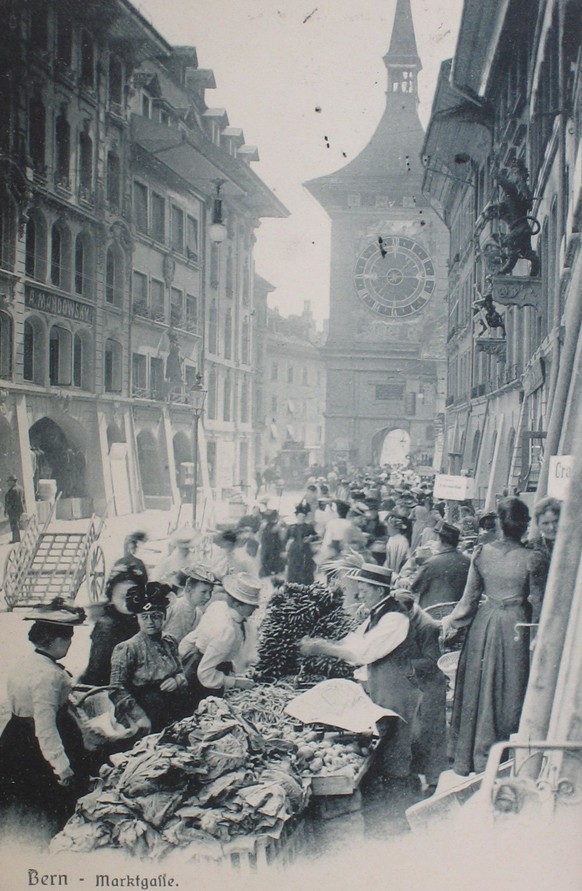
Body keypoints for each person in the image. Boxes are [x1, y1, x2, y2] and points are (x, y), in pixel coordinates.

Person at [441, 497, 546, 775]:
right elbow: (537, 602)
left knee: (478, 686)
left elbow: (469, 600)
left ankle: (471, 757)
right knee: (510, 688)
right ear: (525, 526)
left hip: (485, 625)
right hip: (517, 627)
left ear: (498, 523)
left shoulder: (481, 553)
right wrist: (537, 638)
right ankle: (503, 759)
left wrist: (452, 622)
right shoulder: (533, 558)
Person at [300, 564, 421, 794]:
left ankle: (399, 804)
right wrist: (325, 645)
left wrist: (323, 648)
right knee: (388, 744)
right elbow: (354, 642)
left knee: (397, 751)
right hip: (384, 688)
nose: (359, 593)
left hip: (397, 690)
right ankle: (390, 794)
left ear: (378, 589)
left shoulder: (394, 618)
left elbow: (363, 652)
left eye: (364, 588)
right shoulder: (379, 612)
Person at [0, 599, 88, 836]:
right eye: (68, 639)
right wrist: (62, 767)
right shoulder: (48, 675)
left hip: (14, 734)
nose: (70, 644)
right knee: (47, 801)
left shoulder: (27, 663)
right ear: (56, 640)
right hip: (36, 745)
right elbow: (45, 728)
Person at [110, 582, 190, 733]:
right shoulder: (128, 648)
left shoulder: (170, 642)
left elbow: (180, 671)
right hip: (144, 711)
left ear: (164, 617)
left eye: (155, 616)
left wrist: (177, 680)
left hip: (173, 705)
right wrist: (139, 716)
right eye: (144, 617)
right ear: (137, 619)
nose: (150, 622)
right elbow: (116, 689)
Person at [394, 590, 448, 795]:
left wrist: (404, 664)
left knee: (432, 732)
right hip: (415, 683)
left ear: (409, 609)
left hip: (431, 685)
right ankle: (416, 774)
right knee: (415, 731)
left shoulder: (427, 626)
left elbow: (432, 661)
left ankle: (434, 780)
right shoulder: (406, 620)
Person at [179, 572, 259, 703]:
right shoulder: (226, 631)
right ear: (238, 604)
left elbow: (193, 637)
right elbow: (205, 673)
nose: (256, 608)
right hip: (204, 680)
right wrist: (236, 682)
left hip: (196, 663)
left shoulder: (218, 606)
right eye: (252, 605)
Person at [79, 563, 145, 687]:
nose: (127, 602)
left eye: (134, 596)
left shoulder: (138, 618)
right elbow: (98, 671)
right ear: (112, 597)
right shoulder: (107, 626)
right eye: (121, 597)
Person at [410, 519, 470, 610]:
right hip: (460, 610)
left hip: (434, 611)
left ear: (441, 540)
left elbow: (414, 587)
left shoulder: (431, 562)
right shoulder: (467, 560)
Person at [527, 496, 561, 623]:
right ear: (537, 524)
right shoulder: (530, 547)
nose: (551, 527)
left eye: (556, 521)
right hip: (539, 612)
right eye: (545, 523)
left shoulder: (574, 548)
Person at [163, 564, 215, 643]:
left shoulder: (198, 614)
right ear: (189, 589)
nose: (208, 597)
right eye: (203, 592)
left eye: (210, 592)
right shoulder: (172, 606)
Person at [286, 504, 317, 585]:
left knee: (306, 567)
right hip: (295, 549)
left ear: (305, 517)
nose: (301, 518)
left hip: (306, 549)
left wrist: (311, 538)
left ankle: (306, 584)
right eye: (299, 516)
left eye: (303, 517)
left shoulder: (309, 527)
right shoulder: (292, 527)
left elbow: (316, 536)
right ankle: (293, 584)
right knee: (293, 567)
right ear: (297, 517)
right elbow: (286, 538)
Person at [259, 509, 286, 578]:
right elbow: (273, 530)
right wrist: (280, 522)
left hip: (274, 548)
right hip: (268, 549)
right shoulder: (266, 525)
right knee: (268, 565)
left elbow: (282, 536)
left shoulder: (274, 525)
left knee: (275, 565)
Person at [4, 474, 25, 544]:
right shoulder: (20, 488)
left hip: (13, 510)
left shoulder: (13, 490)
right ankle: (17, 538)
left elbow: (10, 502)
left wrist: (6, 510)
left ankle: (15, 538)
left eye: (9, 481)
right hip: (19, 509)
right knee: (16, 524)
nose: (8, 483)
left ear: (13, 481)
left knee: (13, 524)